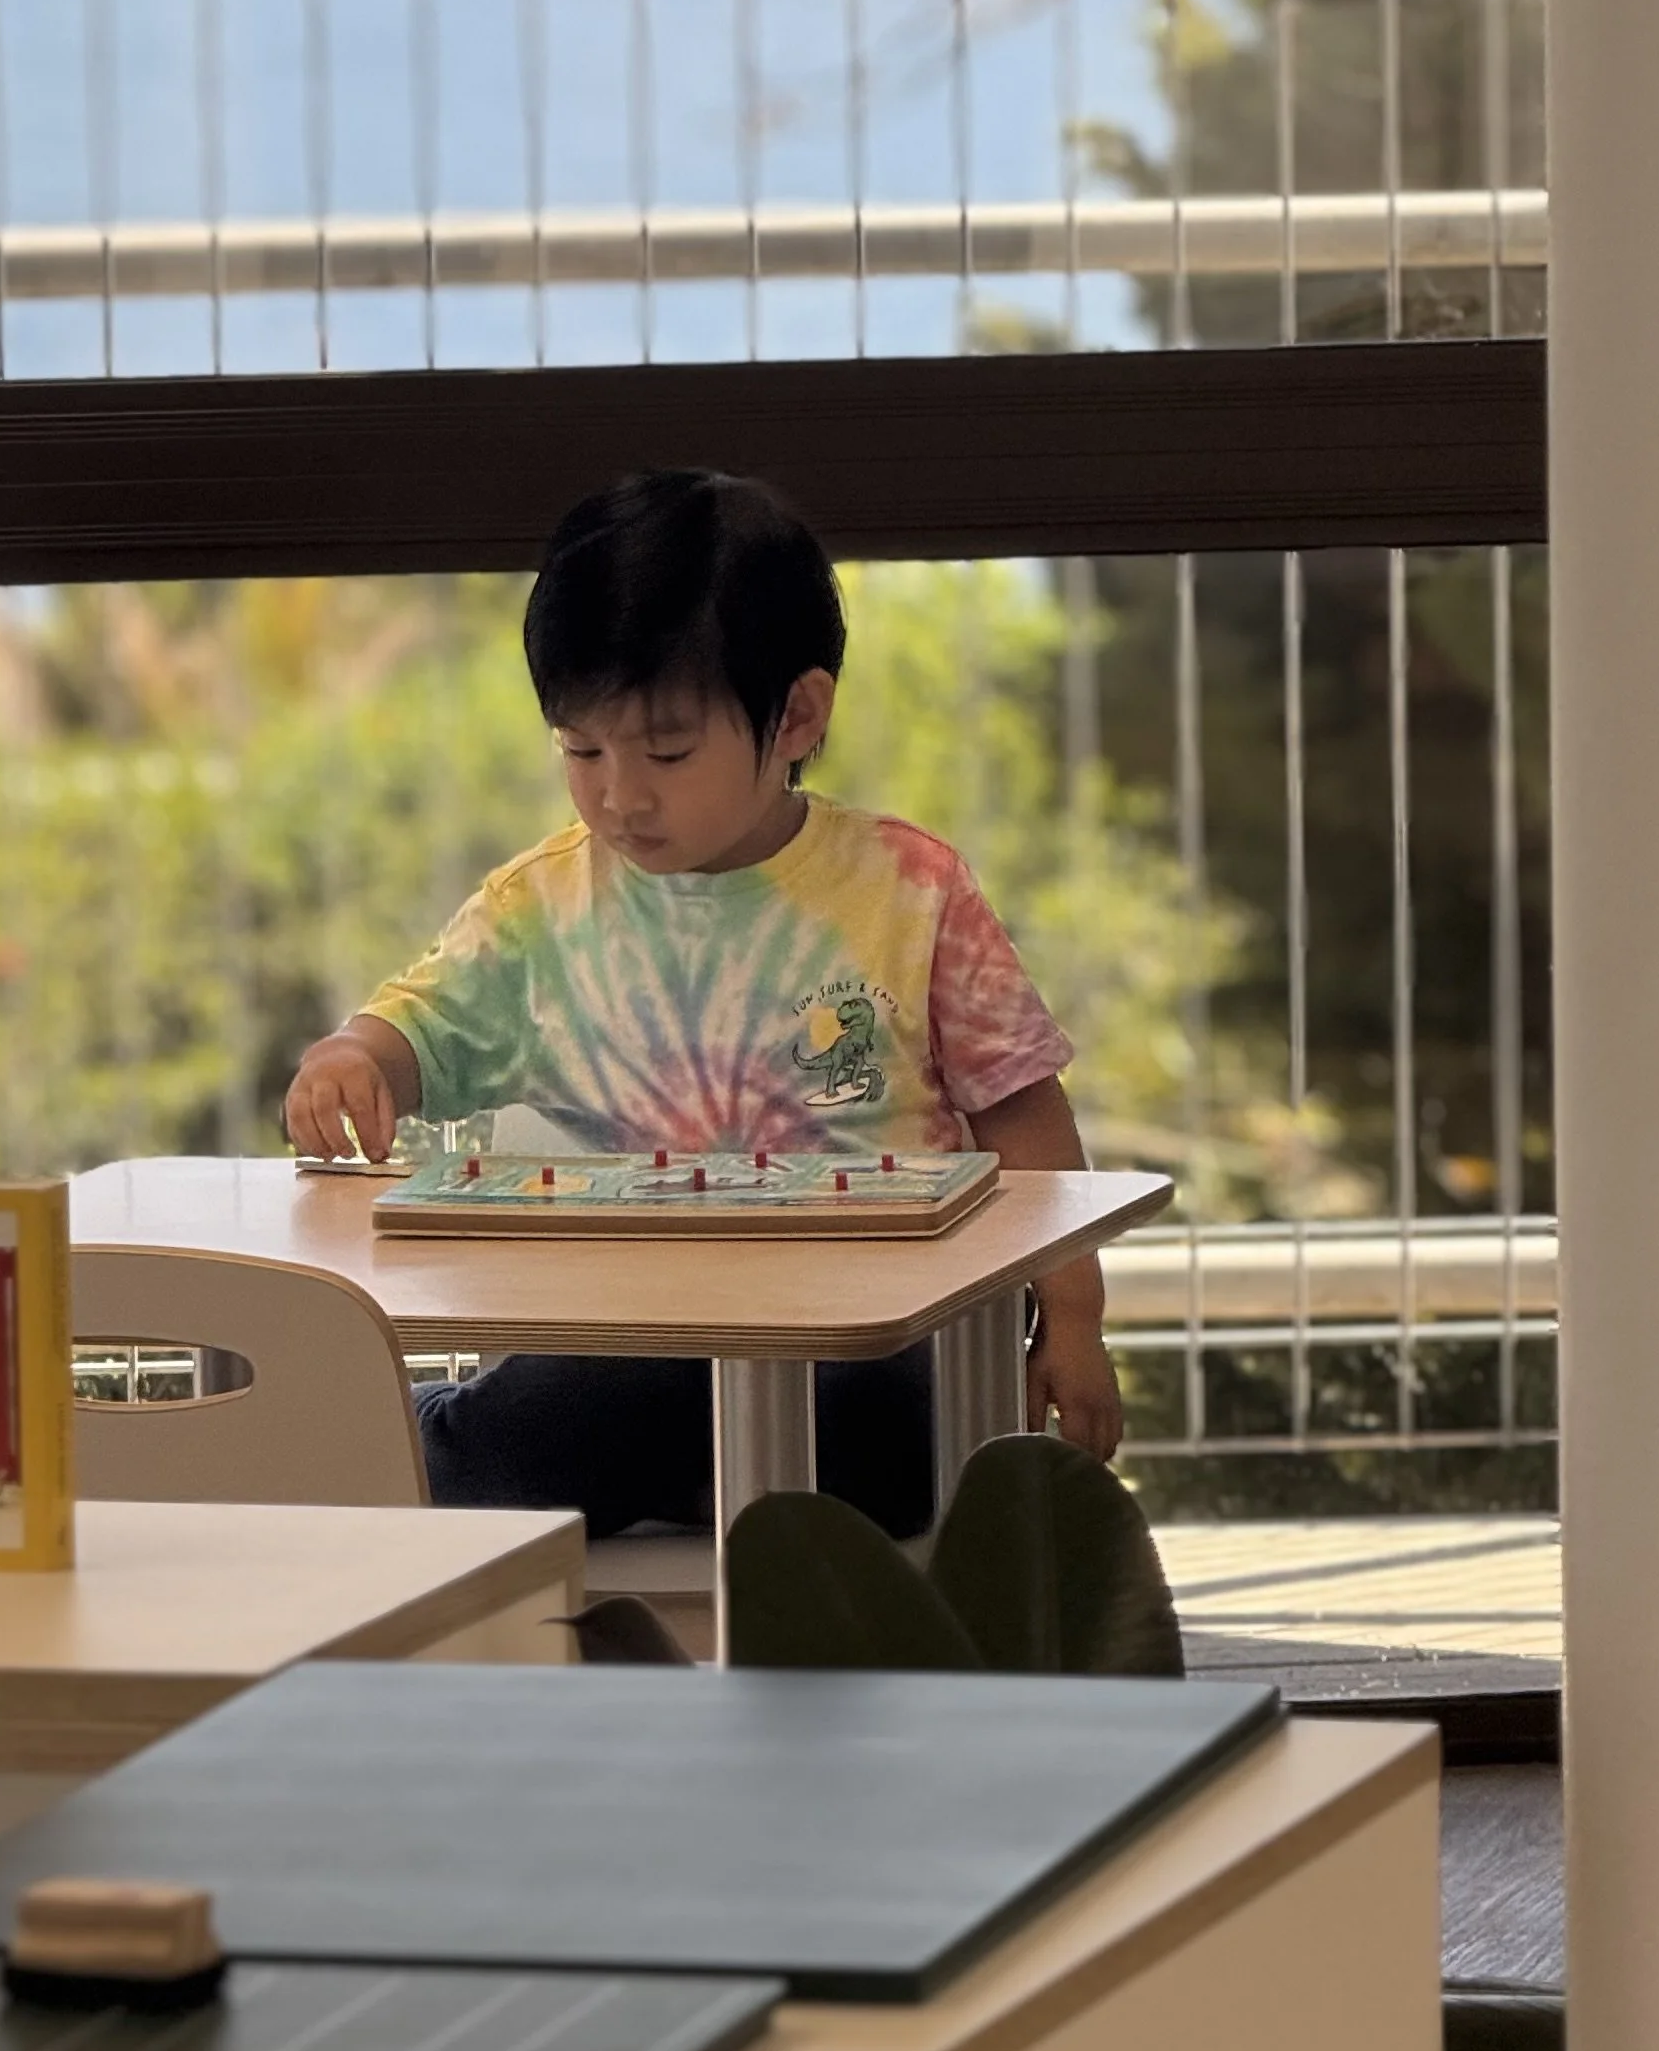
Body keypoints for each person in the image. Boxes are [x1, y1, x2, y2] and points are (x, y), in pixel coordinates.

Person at [285, 469, 1120, 1534]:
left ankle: (658, 1483)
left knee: (900, 1428)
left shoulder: (909, 891)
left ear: (797, 715)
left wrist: (1075, 1320)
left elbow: (1026, 1120)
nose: (620, 794)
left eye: (667, 751)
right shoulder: (542, 905)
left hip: (871, 1347)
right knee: (563, 1407)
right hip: (630, 1344)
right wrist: (358, 1058)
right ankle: (618, 1468)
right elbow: (420, 1025)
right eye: (581, 751)